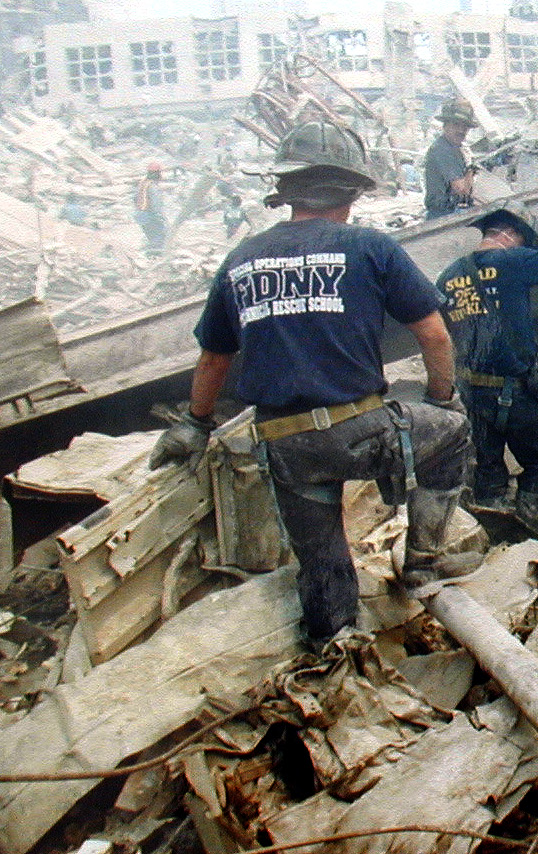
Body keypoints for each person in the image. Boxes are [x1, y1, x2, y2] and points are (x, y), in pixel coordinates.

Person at [149, 121, 472, 650]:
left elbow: (213, 359)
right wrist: (443, 401)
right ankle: (421, 564)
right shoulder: (370, 247)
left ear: (286, 193)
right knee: (451, 433)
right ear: (352, 192)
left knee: (322, 566)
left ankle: (333, 648)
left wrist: (195, 424)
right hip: (364, 430)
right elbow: (434, 337)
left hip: (285, 444)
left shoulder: (241, 259)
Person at [433, 200, 538, 528]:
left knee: (486, 463)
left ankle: (491, 524)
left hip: (471, 390)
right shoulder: (512, 260)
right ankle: (527, 525)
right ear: (511, 234)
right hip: (513, 390)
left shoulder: (449, 275)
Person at [423, 100, 477, 219]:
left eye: (465, 127)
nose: (461, 130)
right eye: (456, 125)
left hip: (452, 212)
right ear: (445, 126)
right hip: (443, 216)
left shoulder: (455, 149)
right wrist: (472, 169)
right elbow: (461, 189)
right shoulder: (442, 150)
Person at [134, 162, 168, 256]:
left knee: (151, 236)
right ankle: (155, 257)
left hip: (140, 215)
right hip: (149, 216)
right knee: (159, 238)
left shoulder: (142, 183)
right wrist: (161, 217)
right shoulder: (153, 186)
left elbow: (134, 198)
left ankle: (150, 255)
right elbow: (156, 205)